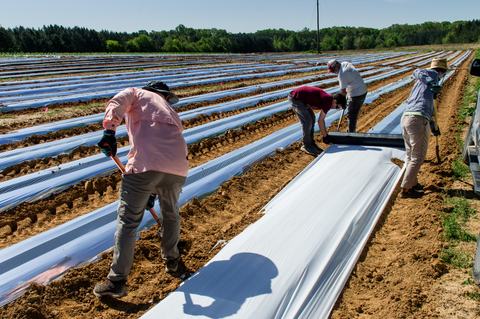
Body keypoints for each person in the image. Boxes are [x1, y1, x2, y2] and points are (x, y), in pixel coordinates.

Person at [93, 81, 188, 298]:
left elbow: (116, 103)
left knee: (128, 221)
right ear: (164, 95)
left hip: (144, 165)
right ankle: (173, 262)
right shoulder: (172, 112)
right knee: (171, 215)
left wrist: (109, 132)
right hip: (178, 169)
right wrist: (151, 192)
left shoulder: (136, 92)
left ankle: (117, 281)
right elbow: (165, 145)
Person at [400, 57, 447, 198]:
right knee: (418, 156)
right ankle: (407, 188)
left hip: (407, 118)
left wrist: (433, 125)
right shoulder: (431, 75)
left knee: (410, 155)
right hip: (417, 119)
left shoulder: (424, 84)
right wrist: (432, 81)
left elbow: (430, 106)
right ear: (441, 71)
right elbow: (417, 71)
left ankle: (413, 183)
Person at [288, 86, 346, 156]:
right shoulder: (328, 101)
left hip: (303, 99)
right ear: (335, 101)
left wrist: (325, 136)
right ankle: (307, 145)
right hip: (296, 98)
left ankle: (311, 143)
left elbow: (320, 119)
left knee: (312, 118)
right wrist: (325, 136)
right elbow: (321, 121)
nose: (334, 108)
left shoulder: (329, 100)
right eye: (337, 107)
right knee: (308, 121)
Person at [327, 59, 368, 133]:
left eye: (333, 71)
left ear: (336, 67)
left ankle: (351, 133)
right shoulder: (344, 63)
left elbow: (343, 92)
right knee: (353, 112)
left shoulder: (342, 75)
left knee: (352, 114)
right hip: (362, 90)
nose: (333, 73)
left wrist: (341, 101)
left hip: (357, 94)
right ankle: (351, 131)